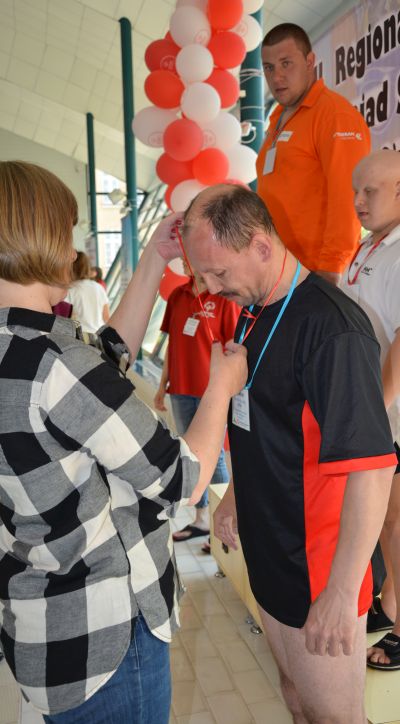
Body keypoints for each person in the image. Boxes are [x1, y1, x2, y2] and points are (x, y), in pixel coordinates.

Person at [0, 161, 247, 722]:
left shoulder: (25, 349)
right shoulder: (59, 366)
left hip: (42, 627)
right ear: (39, 237)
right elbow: (183, 480)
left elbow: (105, 359)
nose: (72, 250)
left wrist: (155, 257)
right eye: (67, 233)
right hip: (106, 639)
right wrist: (221, 387)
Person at [181, 182, 397, 724]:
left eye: (218, 273)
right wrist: (235, 496)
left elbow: (373, 470)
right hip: (271, 547)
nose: (210, 288)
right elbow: (260, 417)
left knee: (334, 716)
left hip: (318, 566)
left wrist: (340, 592)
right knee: (296, 697)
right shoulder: (255, 309)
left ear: (260, 245)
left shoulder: (333, 329)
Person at [341, 150, 400, 670]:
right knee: (384, 519)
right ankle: (390, 604)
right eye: (356, 191)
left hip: (391, 415)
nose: (358, 201)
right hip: (375, 412)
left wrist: (377, 409)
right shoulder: (368, 246)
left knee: (396, 520)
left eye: (370, 192)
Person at [257, 23, 370, 285]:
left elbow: (348, 196)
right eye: (269, 68)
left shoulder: (333, 114)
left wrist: (332, 268)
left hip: (316, 274)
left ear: (310, 62)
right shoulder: (277, 118)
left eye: (286, 63)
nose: (277, 77)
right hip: (277, 273)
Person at [154, 264, 240, 545]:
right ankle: (202, 519)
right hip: (180, 387)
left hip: (212, 391)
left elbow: (233, 348)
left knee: (215, 457)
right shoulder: (177, 296)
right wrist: (162, 385)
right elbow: (172, 344)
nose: (188, 262)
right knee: (189, 454)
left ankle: (222, 521)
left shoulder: (224, 297)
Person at [66, 251, 110, 333]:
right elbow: (106, 317)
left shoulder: (69, 289)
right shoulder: (99, 287)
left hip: (79, 336)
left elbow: (66, 318)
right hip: (98, 335)